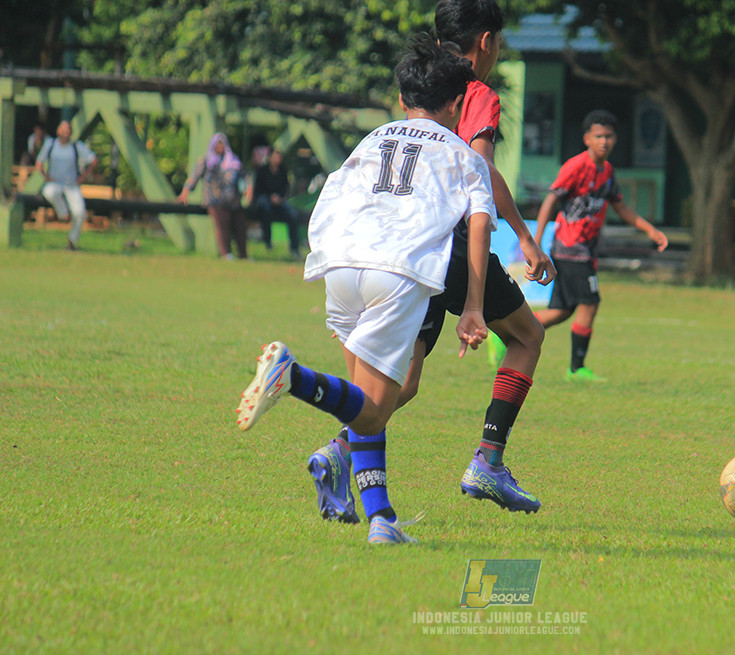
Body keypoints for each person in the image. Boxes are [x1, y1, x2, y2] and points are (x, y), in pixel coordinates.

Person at [236, 35, 495, 545]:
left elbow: (333, 192)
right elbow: (481, 225)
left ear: (402, 101)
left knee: (366, 404)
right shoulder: (463, 154)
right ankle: (293, 376)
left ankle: (381, 521)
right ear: (457, 104)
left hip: (342, 265)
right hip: (395, 271)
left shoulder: (372, 138)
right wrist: (473, 307)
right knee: (377, 407)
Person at [344, 0, 555, 518]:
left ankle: (335, 454)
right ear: (486, 42)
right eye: (498, 42)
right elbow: (477, 173)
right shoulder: (474, 91)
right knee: (528, 337)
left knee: (403, 380)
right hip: (459, 244)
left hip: (408, 243)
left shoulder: (424, 81)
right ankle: (488, 459)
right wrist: (525, 238)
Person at [533, 109, 669, 381]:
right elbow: (551, 200)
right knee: (590, 303)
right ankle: (576, 368)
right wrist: (534, 242)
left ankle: (506, 334)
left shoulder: (606, 172)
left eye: (608, 136)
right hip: (571, 249)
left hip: (584, 250)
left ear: (615, 139)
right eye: (598, 136)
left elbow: (621, 207)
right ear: (587, 138)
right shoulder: (575, 166)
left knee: (562, 311)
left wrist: (651, 230)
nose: (604, 141)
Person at [177, 133, 248, 260]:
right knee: (222, 224)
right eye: (217, 144)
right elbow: (194, 177)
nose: (220, 147)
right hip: (214, 200)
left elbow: (243, 178)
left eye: (222, 144)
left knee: (240, 226)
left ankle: (243, 255)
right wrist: (185, 192)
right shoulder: (206, 161)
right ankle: (226, 253)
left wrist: (247, 190)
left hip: (233, 201)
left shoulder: (233, 161)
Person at [35, 121, 98, 251]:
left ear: (71, 132)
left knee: (80, 212)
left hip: (71, 184)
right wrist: (46, 177)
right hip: (55, 183)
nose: (65, 133)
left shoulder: (76, 146)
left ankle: (72, 241)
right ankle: (63, 214)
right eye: (62, 129)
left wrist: (83, 177)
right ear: (58, 131)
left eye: (67, 130)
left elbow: (93, 160)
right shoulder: (51, 144)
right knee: (49, 191)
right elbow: (39, 162)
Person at [247, 148, 302, 259]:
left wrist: (279, 198)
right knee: (265, 208)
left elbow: (285, 189)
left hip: (279, 201)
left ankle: (295, 248)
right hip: (264, 200)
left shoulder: (282, 172)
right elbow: (258, 190)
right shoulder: (262, 171)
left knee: (292, 214)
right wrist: (270, 196)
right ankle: (267, 241)